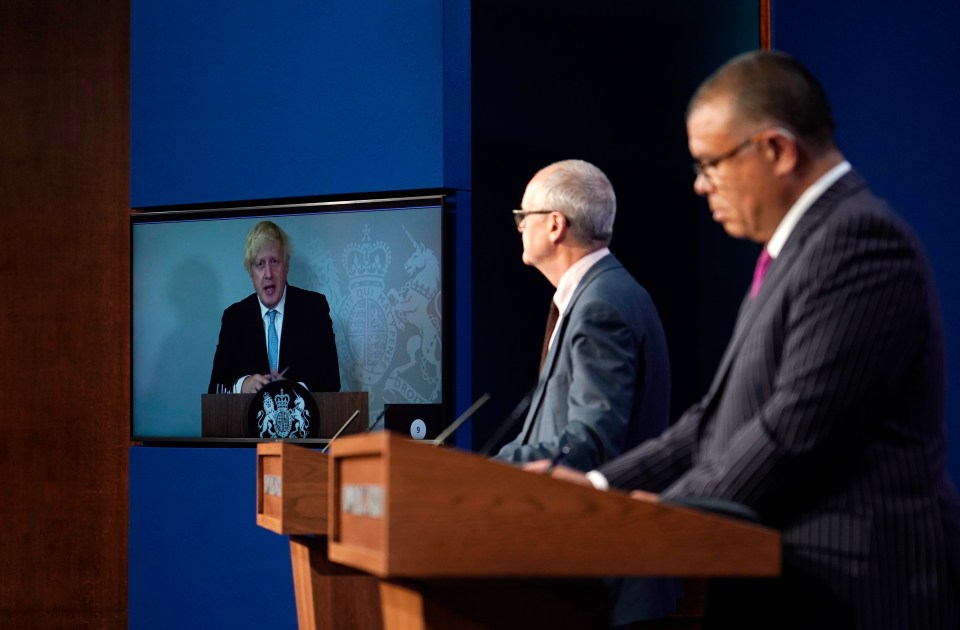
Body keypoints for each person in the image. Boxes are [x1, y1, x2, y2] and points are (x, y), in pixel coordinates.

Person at [531, 51, 960, 629]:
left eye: (711, 163)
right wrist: (601, 487)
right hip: (792, 586)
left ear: (777, 150)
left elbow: (793, 429)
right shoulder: (798, 250)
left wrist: (665, 518)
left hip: (856, 591)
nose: (700, 184)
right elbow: (716, 420)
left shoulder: (858, 240)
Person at [495, 159, 679, 625]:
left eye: (524, 216)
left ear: (554, 225)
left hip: (605, 580)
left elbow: (590, 442)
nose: (519, 227)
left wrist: (488, 472)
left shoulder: (602, 305)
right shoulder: (599, 294)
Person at [208, 220, 340, 394]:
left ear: (286, 266)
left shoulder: (314, 309)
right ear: (251, 273)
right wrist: (243, 385)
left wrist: (295, 390)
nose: (268, 274)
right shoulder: (234, 318)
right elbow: (215, 388)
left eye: (275, 262)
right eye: (260, 264)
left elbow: (332, 382)